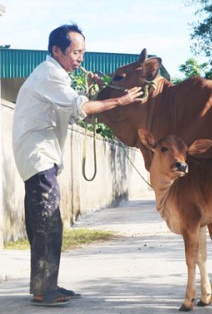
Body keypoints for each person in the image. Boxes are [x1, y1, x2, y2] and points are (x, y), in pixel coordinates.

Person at [12, 23, 143, 307]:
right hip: (38, 156)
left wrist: (88, 88)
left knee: (46, 222)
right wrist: (121, 100)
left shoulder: (56, 77)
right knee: (47, 222)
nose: (80, 59)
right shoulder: (49, 75)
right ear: (56, 50)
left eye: (83, 52)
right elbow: (80, 108)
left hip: (40, 155)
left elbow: (73, 109)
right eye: (75, 52)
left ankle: (46, 285)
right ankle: (43, 291)